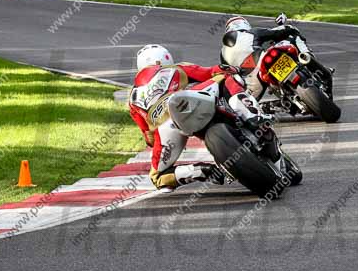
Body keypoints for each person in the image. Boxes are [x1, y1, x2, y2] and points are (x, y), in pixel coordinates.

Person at [129, 44, 274, 190]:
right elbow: (209, 72)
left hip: (167, 127)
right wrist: (229, 68)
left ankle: (199, 171)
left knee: (157, 177)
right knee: (229, 77)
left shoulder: (132, 99)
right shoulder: (176, 68)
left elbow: (149, 137)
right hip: (191, 100)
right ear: (165, 59)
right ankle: (253, 116)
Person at [220, 15, 304, 99]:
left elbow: (228, 74)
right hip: (263, 64)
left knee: (250, 106)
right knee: (293, 36)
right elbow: (278, 32)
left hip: (252, 82)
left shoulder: (223, 52)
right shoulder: (252, 32)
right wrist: (288, 27)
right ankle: (306, 55)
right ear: (245, 24)